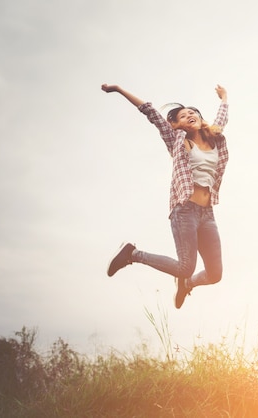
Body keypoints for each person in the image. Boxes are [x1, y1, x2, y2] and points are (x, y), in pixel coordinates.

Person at [100, 83, 229, 309]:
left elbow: (222, 118)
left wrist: (224, 97)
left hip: (207, 214)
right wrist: (119, 90)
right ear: (176, 124)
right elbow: (149, 111)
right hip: (185, 211)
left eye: (193, 113)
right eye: (183, 115)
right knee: (185, 266)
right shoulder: (176, 140)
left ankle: (187, 284)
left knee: (215, 274)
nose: (190, 116)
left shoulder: (214, 139)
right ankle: (133, 254)